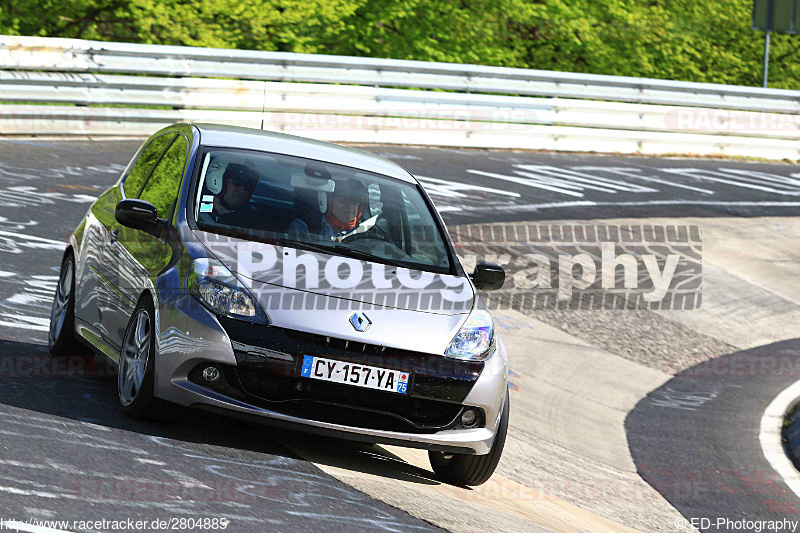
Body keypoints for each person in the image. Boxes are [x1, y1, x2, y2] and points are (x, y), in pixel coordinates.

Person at [288, 177, 369, 241]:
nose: (350, 206)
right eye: (344, 200)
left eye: (355, 202)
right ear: (327, 202)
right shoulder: (303, 227)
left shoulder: (363, 232)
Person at [208, 163, 261, 228]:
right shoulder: (195, 205)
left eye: (248, 186)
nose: (242, 190)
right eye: (237, 182)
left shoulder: (253, 222)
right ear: (219, 181)